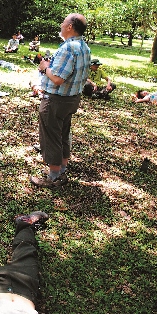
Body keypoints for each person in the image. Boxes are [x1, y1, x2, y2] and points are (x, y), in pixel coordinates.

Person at [32, 14, 91, 188]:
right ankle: (61, 169)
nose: (61, 24)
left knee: (51, 136)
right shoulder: (84, 47)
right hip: (72, 99)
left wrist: (45, 68)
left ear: (70, 26)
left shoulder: (68, 48)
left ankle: (53, 177)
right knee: (63, 133)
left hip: (56, 100)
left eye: (64, 22)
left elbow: (57, 79)